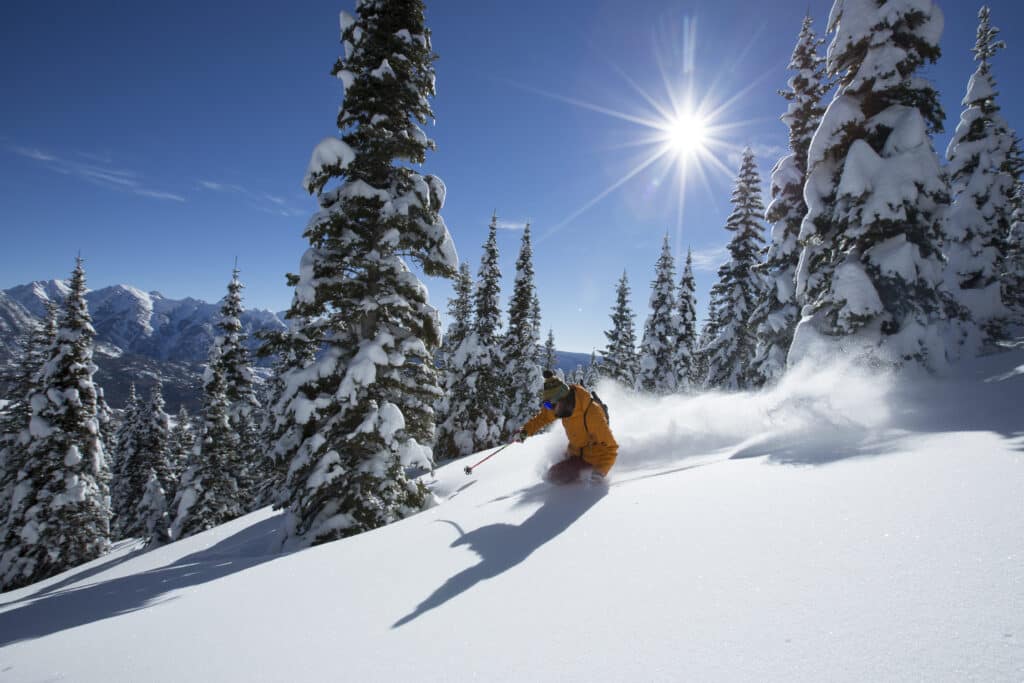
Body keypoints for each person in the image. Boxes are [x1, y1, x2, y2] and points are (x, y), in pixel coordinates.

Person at [519, 370, 618, 485]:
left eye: (550, 405)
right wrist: (525, 431)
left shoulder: (592, 414)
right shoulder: (560, 407)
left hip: (592, 457)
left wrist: (600, 472)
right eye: (547, 405)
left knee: (553, 476)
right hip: (575, 452)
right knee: (553, 473)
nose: (549, 408)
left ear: (562, 400)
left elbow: (611, 447)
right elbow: (543, 418)